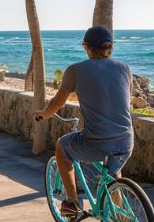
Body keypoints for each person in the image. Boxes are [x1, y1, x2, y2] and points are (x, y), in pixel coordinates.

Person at [33, 27, 133, 219]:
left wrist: (44, 114)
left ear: (85, 46)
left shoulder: (75, 70)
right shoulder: (124, 68)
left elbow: (57, 103)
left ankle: (73, 204)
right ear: (109, 47)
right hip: (126, 141)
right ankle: (119, 216)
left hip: (99, 142)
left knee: (62, 147)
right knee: (113, 173)